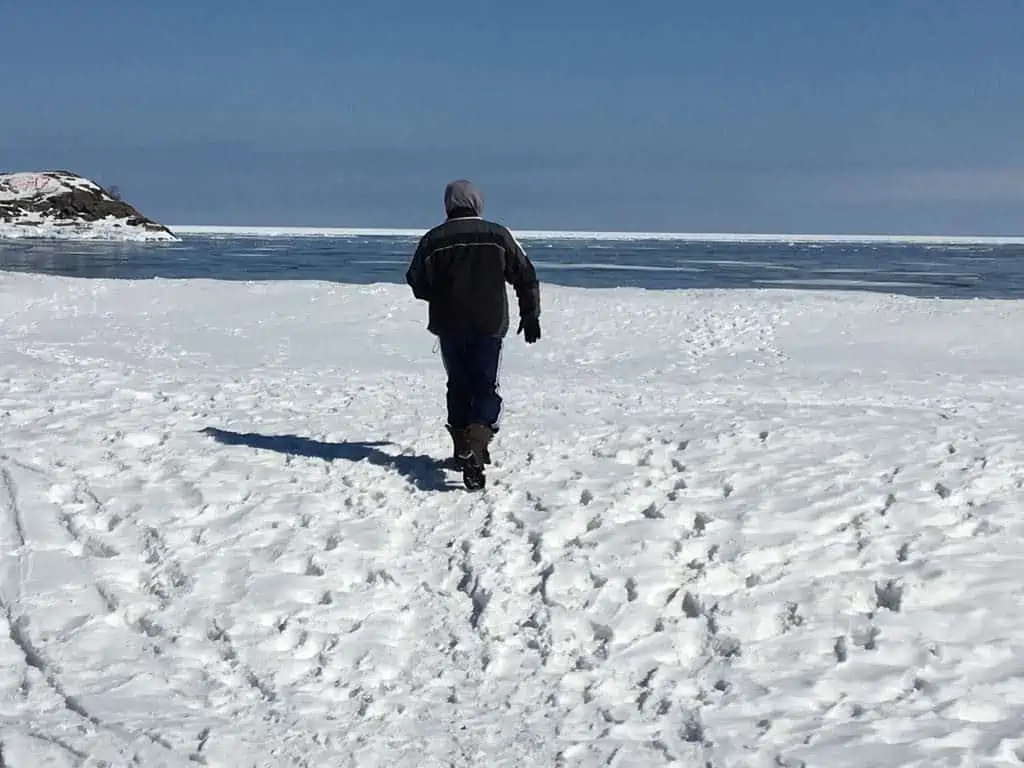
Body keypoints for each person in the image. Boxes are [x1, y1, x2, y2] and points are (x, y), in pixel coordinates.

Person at [406, 179, 541, 490]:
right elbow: (525, 274)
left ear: (448, 205)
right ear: (477, 203)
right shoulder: (498, 235)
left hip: (449, 323)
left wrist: (442, 294)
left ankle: (462, 447)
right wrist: (530, 314)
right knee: (484, 384)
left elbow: (416, 281)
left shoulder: (433, 240)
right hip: (489, 322)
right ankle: (477, 442)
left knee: (459, 383)